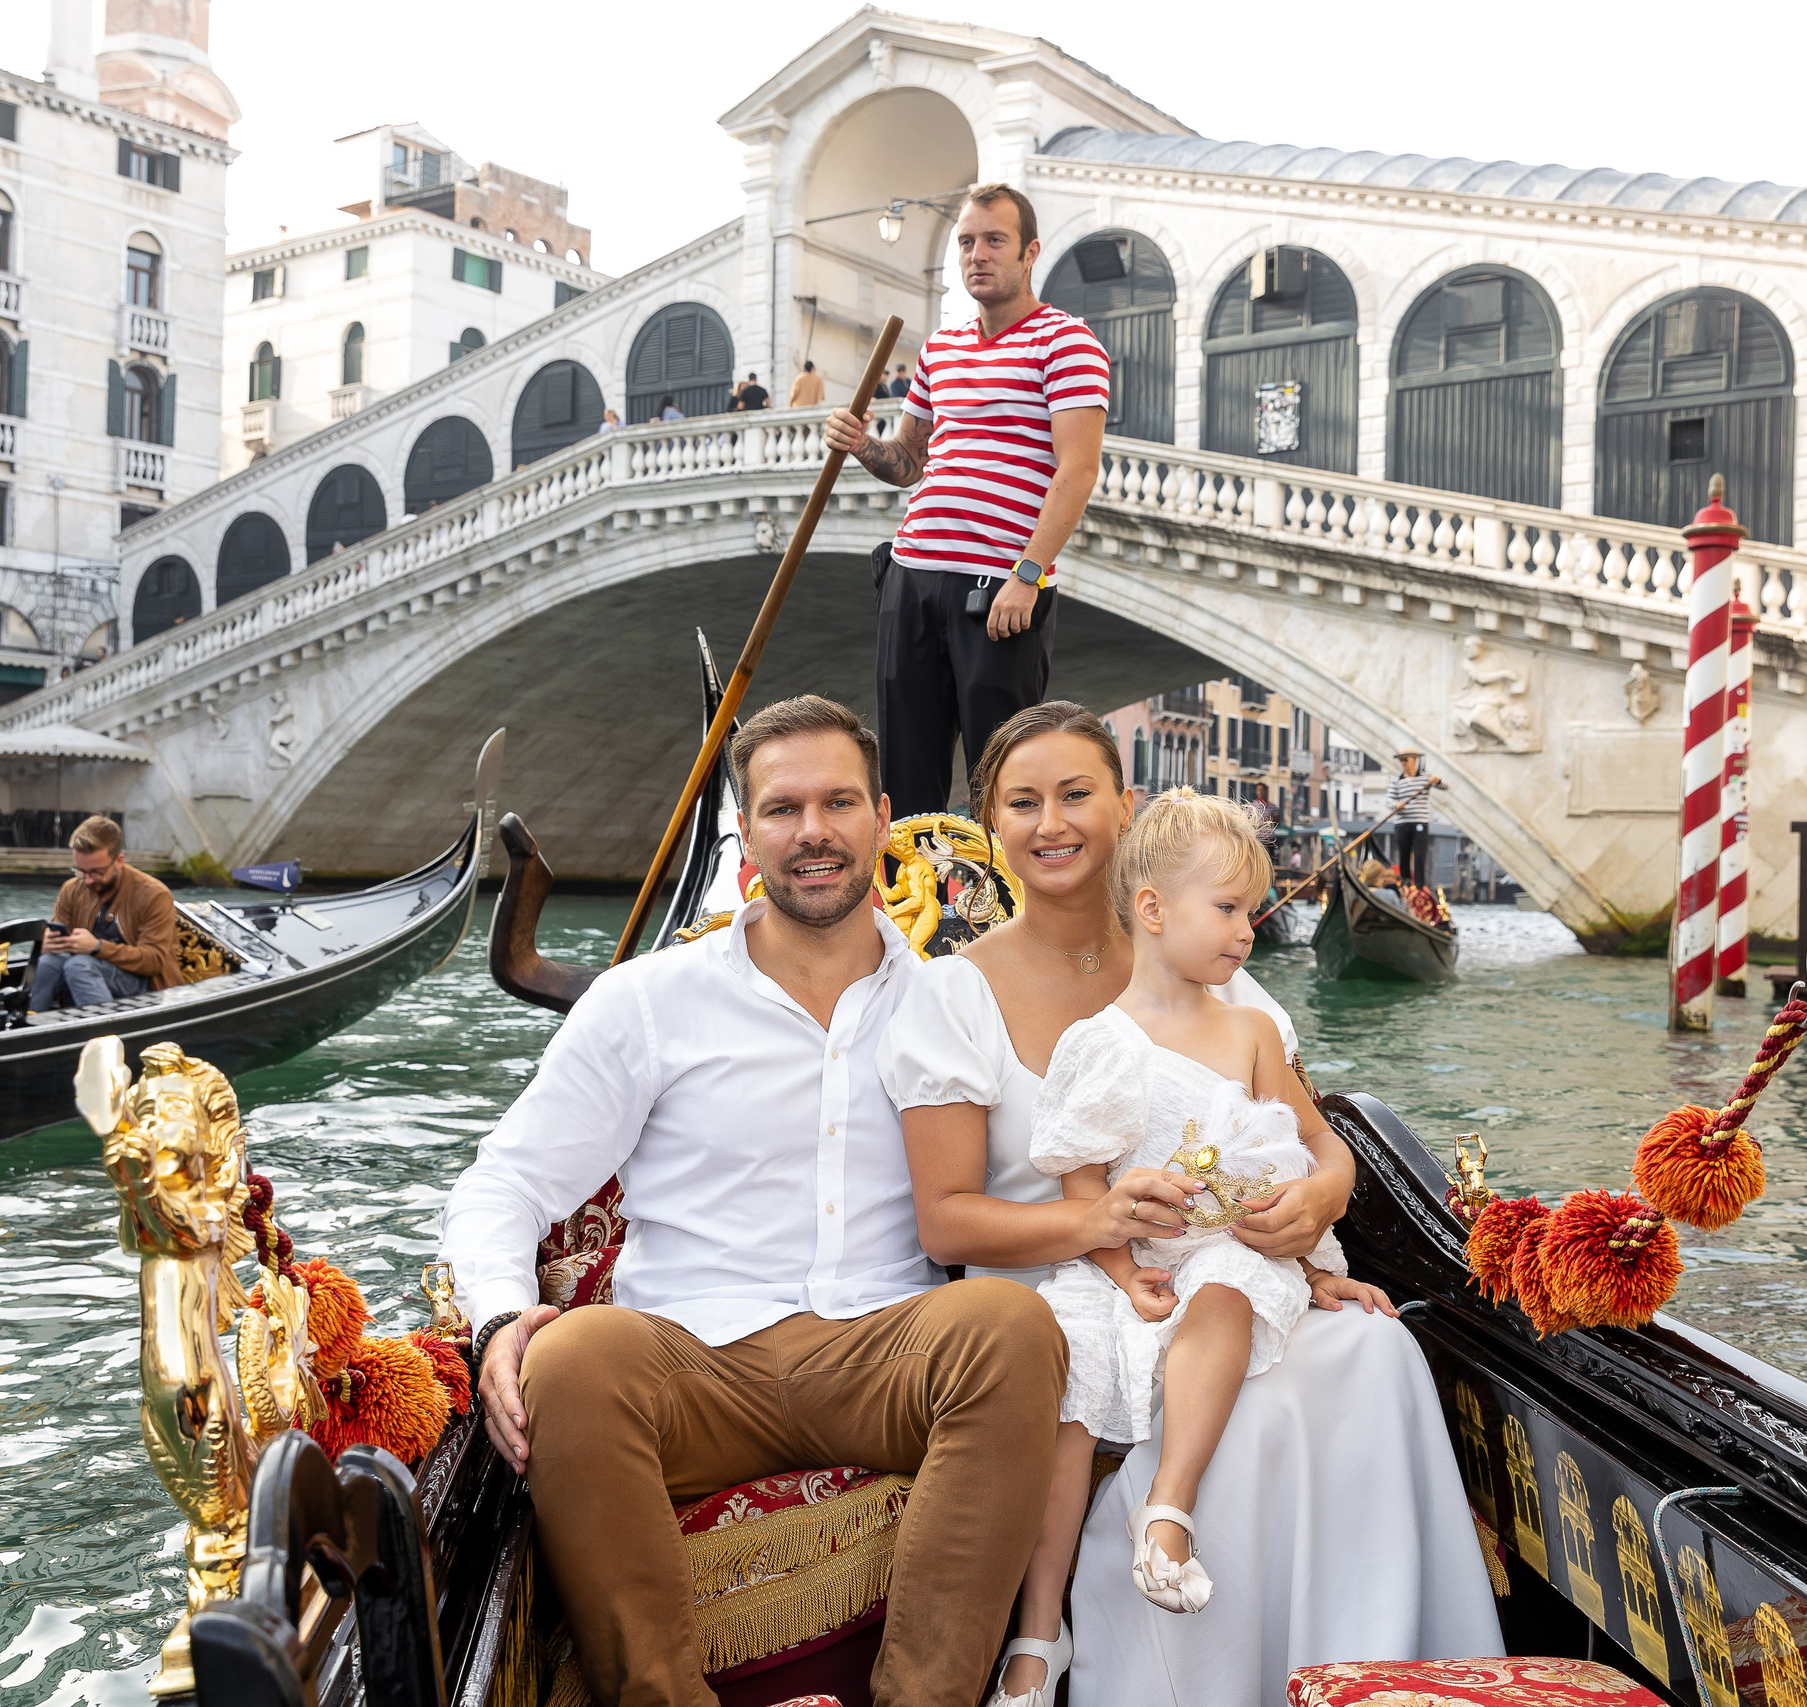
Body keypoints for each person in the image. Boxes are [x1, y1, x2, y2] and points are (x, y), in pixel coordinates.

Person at [442, 695, 1068, 1707]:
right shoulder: (648, 1000)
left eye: (837, 803)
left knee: (1008, 1326)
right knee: (566, 1361)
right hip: (691, 1362)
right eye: (782, 809)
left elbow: (1060, 1161)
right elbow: (503, 1181)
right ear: (746, 832)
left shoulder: (954, 1003)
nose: (812, 832)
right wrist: (503, 1315)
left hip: (885, 1352)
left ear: (881, 816)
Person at [878, 702, 1500, 1707]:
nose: (1052, 823)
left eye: (1076, 794)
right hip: (1050, 1291)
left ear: (1124, 809)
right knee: (1238, 1400)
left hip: (1215, 1270)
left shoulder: (1223, 981)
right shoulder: (953, 995)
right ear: (991, 825)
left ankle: (1352, 1669)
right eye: (1023, 803)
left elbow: (1318, 1148)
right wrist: (1113, 1237)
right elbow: (947, 1221)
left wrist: (1310, 1215)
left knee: (1373, 1351)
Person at [1028, 790, 1387, 1626]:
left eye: (1251, 910)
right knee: (1071, 1371)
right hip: (1125, 1258)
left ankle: (1168, 1506)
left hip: (1228, 1248)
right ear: (1152, 909)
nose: (1247, 929)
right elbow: (1080, 1180)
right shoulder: (1100, 1040)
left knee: (1229, 1279)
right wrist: (1122, 1273)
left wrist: (1306, 1249)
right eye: (1227, 908)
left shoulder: (1252, 1032)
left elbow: (1308, 1144)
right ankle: (1039, 1625)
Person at [823, 183, 1110, 815]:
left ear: (1029, 251)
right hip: (912, 573)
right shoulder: (939, 349)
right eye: (966, 242)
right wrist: (863, 446)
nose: (977, 255)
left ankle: (1001, 909)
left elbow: (1077, 471)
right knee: (903, 770)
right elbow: (909, 462)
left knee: (1005, 774)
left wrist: (1027, 575)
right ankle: (908, 907)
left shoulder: (1068, 343)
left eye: (994, 241)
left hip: (999, 586)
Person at [29, 814, 180, 1011]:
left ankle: (106, 1033)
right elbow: (57, 939)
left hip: (145, 984)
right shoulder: (71, 889)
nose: (88, 880)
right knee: (49, 962)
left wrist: (98, 947)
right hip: (86, 974)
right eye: (81, 871)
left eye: (96, 872)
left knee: (79, 966)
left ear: (119, 860)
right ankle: (31, 1021)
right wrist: (48, 943)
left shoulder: (154, 894)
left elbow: (154, 961)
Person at [1383, 748, 1442, 888]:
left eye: (1406, 760)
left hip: (1420, 821)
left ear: (1414, 760)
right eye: (1401, 760)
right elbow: (1388, 800)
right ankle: (1406, 882)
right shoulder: (1396, 780)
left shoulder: (1426, 778)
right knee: (1404, 853)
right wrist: (1397, 804)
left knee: (1420, 854)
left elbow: (1445, 786)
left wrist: (1437, 780)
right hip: (1402, 823)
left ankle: (1420, 885)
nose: (1403, 763)